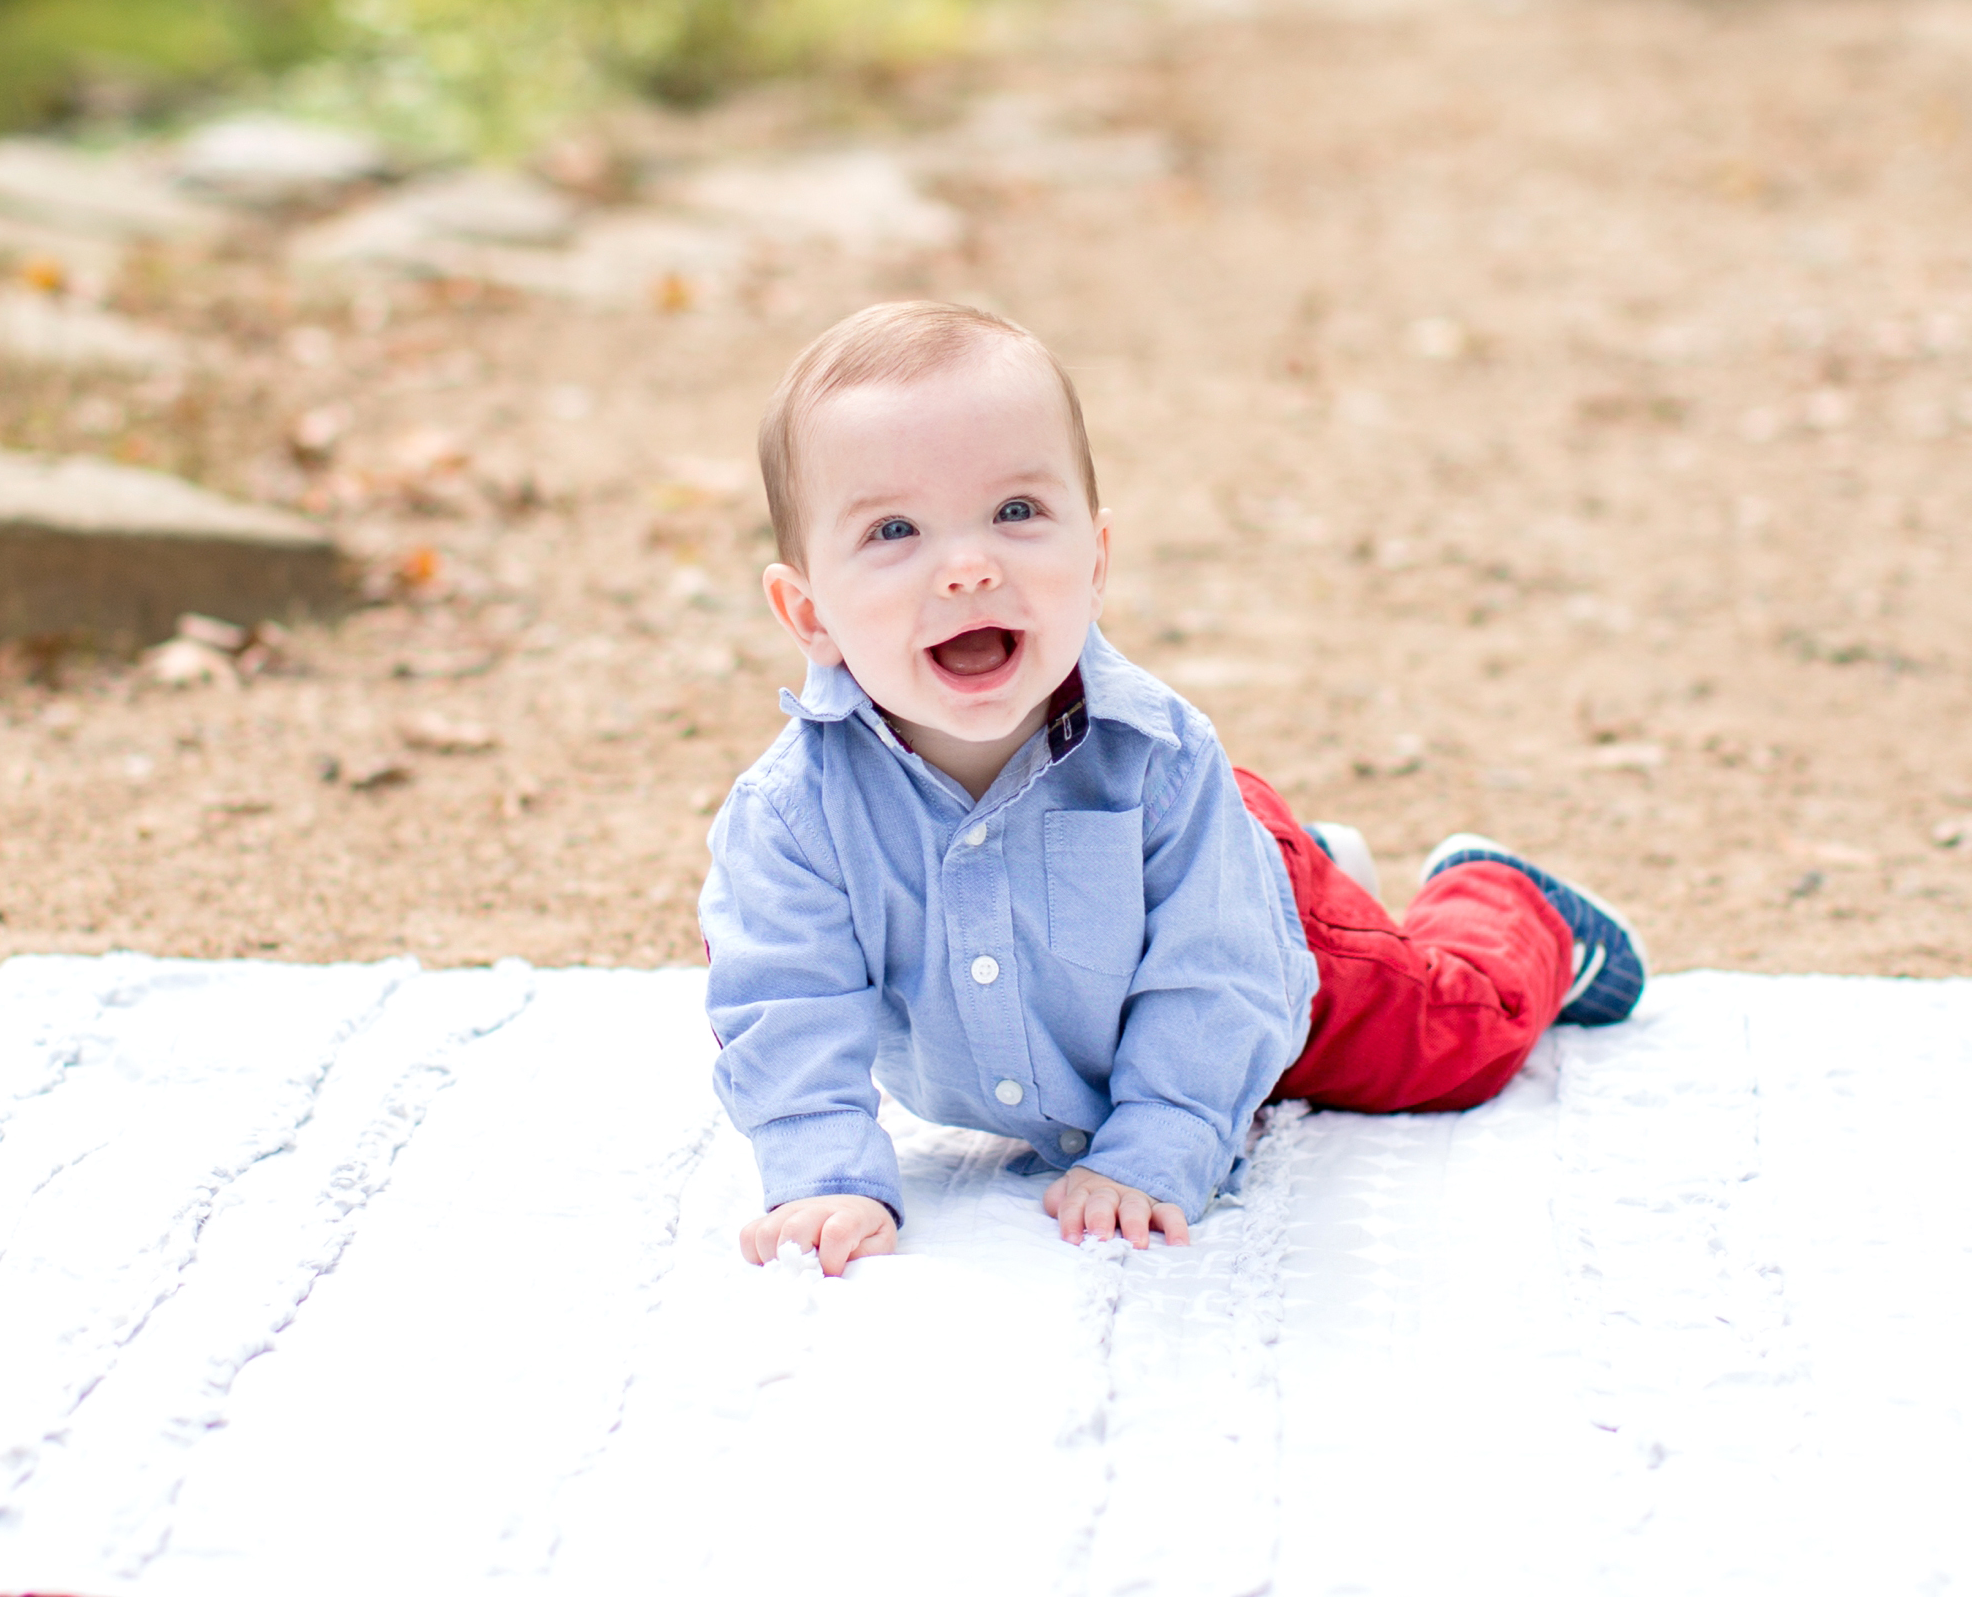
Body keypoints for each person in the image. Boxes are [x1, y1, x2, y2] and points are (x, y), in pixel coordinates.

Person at [701, 299, 1645, 1277]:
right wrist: (824, 1177)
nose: (969, 566)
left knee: (1450, 1043)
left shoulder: (1153, 757)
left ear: (1096, 558)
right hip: (1154, 913)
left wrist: (1156, 1147)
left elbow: (1220, 976)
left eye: (1016, 512)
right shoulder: (791, 818)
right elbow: (784, 1002)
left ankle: (1503, 903)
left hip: (1237, 923)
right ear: (806, 612)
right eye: (894, 529)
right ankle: (1319, 855)